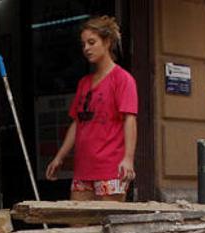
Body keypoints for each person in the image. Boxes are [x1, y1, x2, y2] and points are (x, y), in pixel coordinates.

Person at [44, 15, 139, 202]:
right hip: (83, 169)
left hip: (111, 168)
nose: (86, 48)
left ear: (107, 42)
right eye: (83, 44)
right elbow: (77, 122)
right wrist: (59, 157)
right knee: (77, 225)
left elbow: (130, 119)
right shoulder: (84, 83)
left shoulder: (122, 79)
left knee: (108, 226)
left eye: (91, 42)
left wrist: (128, 159)